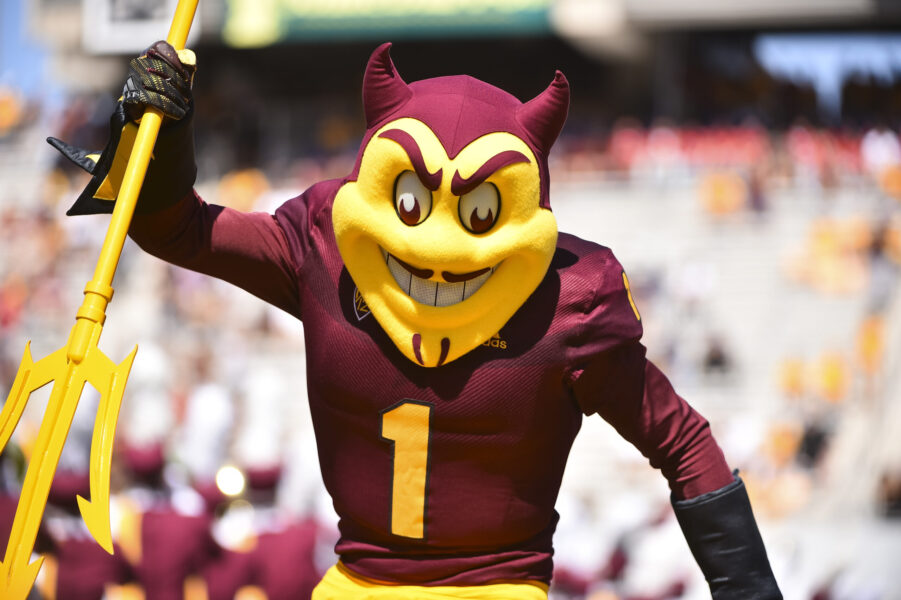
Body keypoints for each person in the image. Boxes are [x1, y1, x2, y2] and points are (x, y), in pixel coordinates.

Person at [50, 41, 782, 599]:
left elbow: (681, 443)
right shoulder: (325, 246)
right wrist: (162, 133)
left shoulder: (569, 301)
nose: (435, 248)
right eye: (410, 202)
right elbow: (177, 227)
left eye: (478, 210)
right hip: (354, 582)